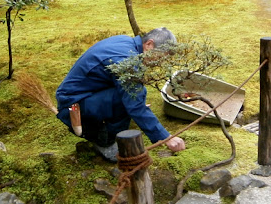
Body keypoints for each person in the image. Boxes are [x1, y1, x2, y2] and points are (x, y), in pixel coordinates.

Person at [55, 27, 186, 161]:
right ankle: (106, 141)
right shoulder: (125, 61)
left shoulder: (126, 42)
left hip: (83, 94)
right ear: (149, 44)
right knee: (129, 100)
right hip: (73, 106)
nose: (160, 63)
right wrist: (165, 138)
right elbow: (135, 105)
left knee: (134, 95)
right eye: (161, 58)